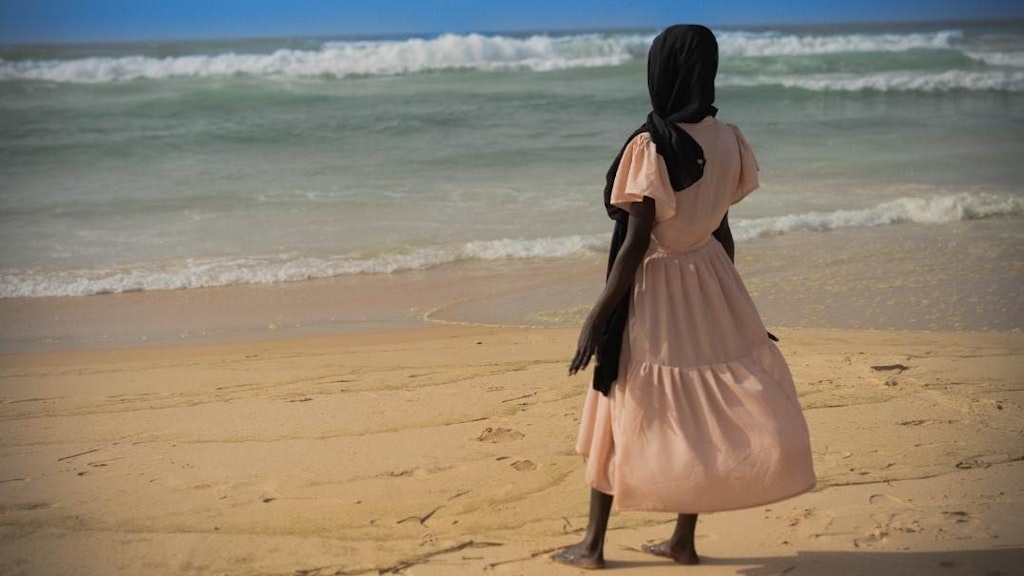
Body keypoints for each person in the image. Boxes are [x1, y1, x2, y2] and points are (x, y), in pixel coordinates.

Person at [553, 25, 816, 569]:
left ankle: (593, 546)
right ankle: (682, 541)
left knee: (620, 400)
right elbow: (722, 229)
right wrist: (733, 304)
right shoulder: (728, 139)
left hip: (655, 288)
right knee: (697, 406)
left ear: (663, 70)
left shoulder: (651, 145)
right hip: (710, 277)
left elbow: (634, 244)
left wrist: (597, 318)